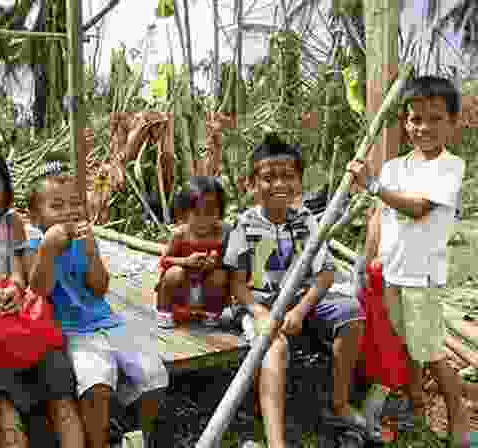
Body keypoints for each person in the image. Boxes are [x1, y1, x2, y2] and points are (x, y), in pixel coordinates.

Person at [347, 75, 469, 444]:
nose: (424, 127)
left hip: (422, 277)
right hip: (390, 274)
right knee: (403, 344)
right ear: (404, 122)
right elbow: (378, 220)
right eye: (416, 119)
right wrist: (365, 264)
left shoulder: (450, 166)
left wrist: (372, 186)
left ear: (452, 123)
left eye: (435, 119)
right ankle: (416, 404)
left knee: (431, 352)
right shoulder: (394, 168)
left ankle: (459, 419)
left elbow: (418, 209)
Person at [223, 134, 366, 448]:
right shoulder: (243, 225)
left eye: (288, 176)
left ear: (299, 182)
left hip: (303, 301)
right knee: (274, 349)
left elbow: (326, 273)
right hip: (259, 305)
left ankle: (340, 403)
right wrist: (262, 314)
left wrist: (300, 310)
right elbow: (237, 285)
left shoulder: (306, 221)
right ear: (251, 184)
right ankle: (276, 442)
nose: (278, 185)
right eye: (268, 178)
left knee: (352, 315)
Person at [25, 155, 169, 448]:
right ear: (36, 217)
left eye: (75, 204)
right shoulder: (35, 246)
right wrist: (49, 250)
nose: (68, 213)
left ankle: (140, 436)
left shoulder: (86, 240)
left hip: (108, 322)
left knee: (156, 376)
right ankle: (99, 442)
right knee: (97, 383)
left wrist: (91, 253)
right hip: (71, 331)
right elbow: (39, 289)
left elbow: (100, 288)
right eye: (56, 206)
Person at [0, 143, 85, 448]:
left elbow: (25, 275)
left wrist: (15, 287)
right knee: (7, 418)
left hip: (32, 331)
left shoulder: (12, 224)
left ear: (7, 191)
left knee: (62, 404)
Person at [155, 176, 231, 328]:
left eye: (210, 213)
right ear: (185, 213)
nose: (203, 219)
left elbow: (230, 263)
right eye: (197, 213)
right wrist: (186, 261)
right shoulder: (180, 234)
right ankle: (164, 311)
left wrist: (216, 263)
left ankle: (210, 313)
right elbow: (165, 261)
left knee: (220, 275)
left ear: (220, 212)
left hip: (207, 288)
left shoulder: (224, 233)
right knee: (174, 273)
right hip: (182, 288)